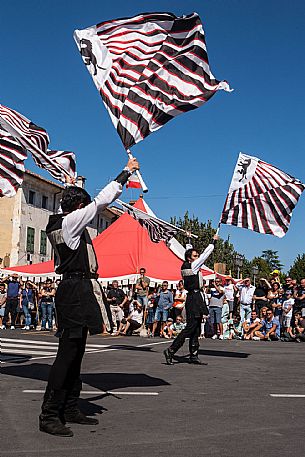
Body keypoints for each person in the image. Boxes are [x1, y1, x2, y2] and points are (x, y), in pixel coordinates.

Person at [39, 157, 139, 437]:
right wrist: (125, 173)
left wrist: (69, 187)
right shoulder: (70, 223)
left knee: (76, 352)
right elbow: (100, 202)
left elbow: (73, 206)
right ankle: (49, 414)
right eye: (81, 206)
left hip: (76, 289)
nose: (86, 211)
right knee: (67, 355)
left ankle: (69, 407)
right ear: (76, 208)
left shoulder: (62, 221)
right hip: (75, 291)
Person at [164, 235, 218, 365]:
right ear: (190, 258)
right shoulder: (193, 266)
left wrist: (188, 240)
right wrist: (213, 242)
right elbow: (205, 255)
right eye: (195, 256)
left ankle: (193, 355)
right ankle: (171, 350)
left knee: (196, 328)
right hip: (194, 298)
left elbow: (189, 251)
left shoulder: (187, 264)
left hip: (195, 297)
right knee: (190, 327)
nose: (197, 257)